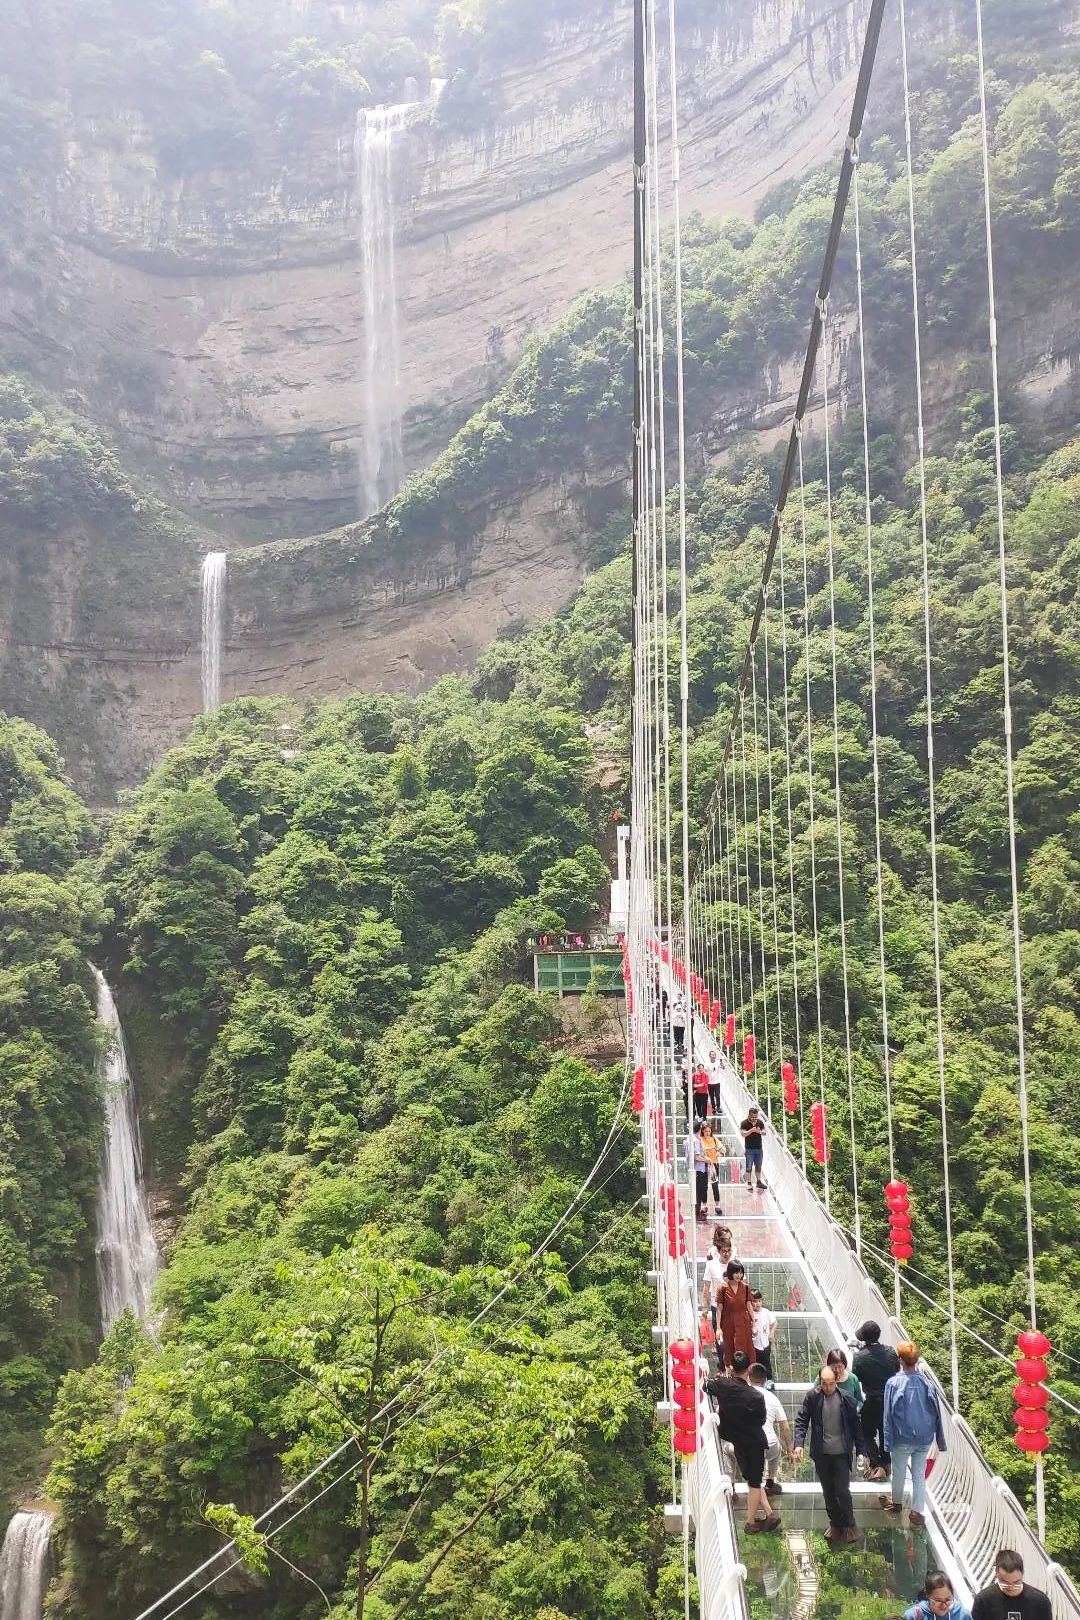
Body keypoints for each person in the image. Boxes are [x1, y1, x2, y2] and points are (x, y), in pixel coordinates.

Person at [707, 1351, 782, 1535]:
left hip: (737, 1441)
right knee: (755, 1483)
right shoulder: (756, 1396)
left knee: (751, 1479)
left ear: (731, 1367)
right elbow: (761, 1420)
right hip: (754, 1443)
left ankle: (769, 1513)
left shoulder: (723, 1385)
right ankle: (750, 1522)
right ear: (749, 1370)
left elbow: (707, 1386)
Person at [793, 1363, 865, 1542]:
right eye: (823, 1383)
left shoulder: (846, 1399)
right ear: (819, 1382)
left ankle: (850, 1523)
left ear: (836, 1382)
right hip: (822, 1453)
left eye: (831, 1383)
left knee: (842, 1490)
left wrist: (862, 1451)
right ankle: (835, 1523)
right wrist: (799, 1444)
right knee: (828, 1491)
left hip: (841, 1452)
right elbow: (802, 1420)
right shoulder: (813, 1397)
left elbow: (856, 1427)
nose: (827, 1387)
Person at [881, 1342, 946, 1528]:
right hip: (925, 1437)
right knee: (918, 1473)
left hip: (903, 1437)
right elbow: (936, 1410)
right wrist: (939, 1438)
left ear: (900, 1360)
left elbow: (888, 1414)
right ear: (917, 1361)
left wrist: (888, 1440)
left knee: (899, 1470)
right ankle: (917, 1511)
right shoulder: (927, 1382)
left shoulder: (893, 1383)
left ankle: (897, 1503)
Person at [853, 1320, 900, 1481]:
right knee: (885, 1432)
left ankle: (876, 1463)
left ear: (864, 1339)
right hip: (890, 1400)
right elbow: (896, 1369)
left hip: (872, 1400)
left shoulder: (859, 1357)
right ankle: (886, 1463)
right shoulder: (890, 1352)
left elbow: (856, 1377)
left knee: (865, 1432)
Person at [749, 1362, 791, 1494]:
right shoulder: (772, 1398)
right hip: (769, 1444)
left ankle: (732, 1486)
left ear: (749, 1378)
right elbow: (785, 1426)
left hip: (749, 1445)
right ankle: (770, 1481)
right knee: (776, 1445)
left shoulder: (743, 1395)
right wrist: (790, 1450)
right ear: (765, 1380)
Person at [971, 1553, 1053, 1620]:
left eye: (1016, 1582)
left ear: (1023, 1573)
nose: (1011, 1587)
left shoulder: (1040, 1601)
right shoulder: (983, 1600)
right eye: (1005, 1582)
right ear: (996, 1573)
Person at [718, 1260, 755, 1370]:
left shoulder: (745, 1288)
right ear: (730, 1273)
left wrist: (754, 1322)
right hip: (728, 1322)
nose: (739, 1275)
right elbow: (719, 1309)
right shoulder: (723, 1288)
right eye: (736, 1273)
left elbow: (749, 1305)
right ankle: (730, 1372)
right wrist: (718, 1328)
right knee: (729, 1346)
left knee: (745, 1346)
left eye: (741, 1273)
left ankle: (745, 1373)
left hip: (743, 1322)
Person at [905, 1573, 973, 1620]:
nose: (943, 1606)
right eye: (938, 1601)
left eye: (948, 1600)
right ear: (927, 1595)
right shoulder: (913, 1616)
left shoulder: (964, 1615)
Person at [750, 1289, 777, 1383]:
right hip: (754, 1345)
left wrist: (772, 1332)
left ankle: (769, 1379)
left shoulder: (766, 1312)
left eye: (759, 1301)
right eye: (755, 1301)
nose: (758, 1304)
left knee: (766, 1362)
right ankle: (756, 1380)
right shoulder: (750, 1314)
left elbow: (774, 1322)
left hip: (765, 1343)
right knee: (754, 1363)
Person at [740, 1105, 767, 1190]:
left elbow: (764, 1132)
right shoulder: (744, 1123)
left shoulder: (760, 1122)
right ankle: (749, 1183)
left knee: (758, 1166)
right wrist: (752, 1130)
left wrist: (759, 1131)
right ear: (749, 1115)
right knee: (749, 1166)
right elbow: (743, 1134)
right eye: (752, 1117)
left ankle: (759, 1182)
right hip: (749, 1149)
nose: (754, 1118)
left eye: (755, 1117)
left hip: (759, 1148)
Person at [701, 1121, 722, 1215]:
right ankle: (704, 1205)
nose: (707, 1133)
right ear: (702, 1131)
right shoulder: (700, 1139)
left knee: (715, 1185)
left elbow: (722, 1149)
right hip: (704, 1165)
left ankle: (717, 1205)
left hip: (714, 1164)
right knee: (704, 1186)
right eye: (706, 1131)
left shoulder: (714, 1139)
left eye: (709, 1131)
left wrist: (718, 1152)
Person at [692, 1122, 710, 1220]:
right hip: (698, 1170)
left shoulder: (695, 1139)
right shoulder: (695, 1141)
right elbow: (696, 1156)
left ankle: (698, 1212)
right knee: (698, 1192)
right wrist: (707, 1160)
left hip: (700, 1169)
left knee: (700, 1191)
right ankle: (697, 1214)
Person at [707, 1046, 723, 1117]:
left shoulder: (717, 1063)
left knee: (717, 1095)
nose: (713, 1056)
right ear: (709, 1056)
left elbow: (723, 1067)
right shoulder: (707, 1063)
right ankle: (713, 1108)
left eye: (714, 1055)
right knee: (711, 1096)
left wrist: (722, 1063)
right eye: (712, 1055)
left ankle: (718, 1107)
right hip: (710, 1082)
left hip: (717, 1082)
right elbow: (704, 1071)